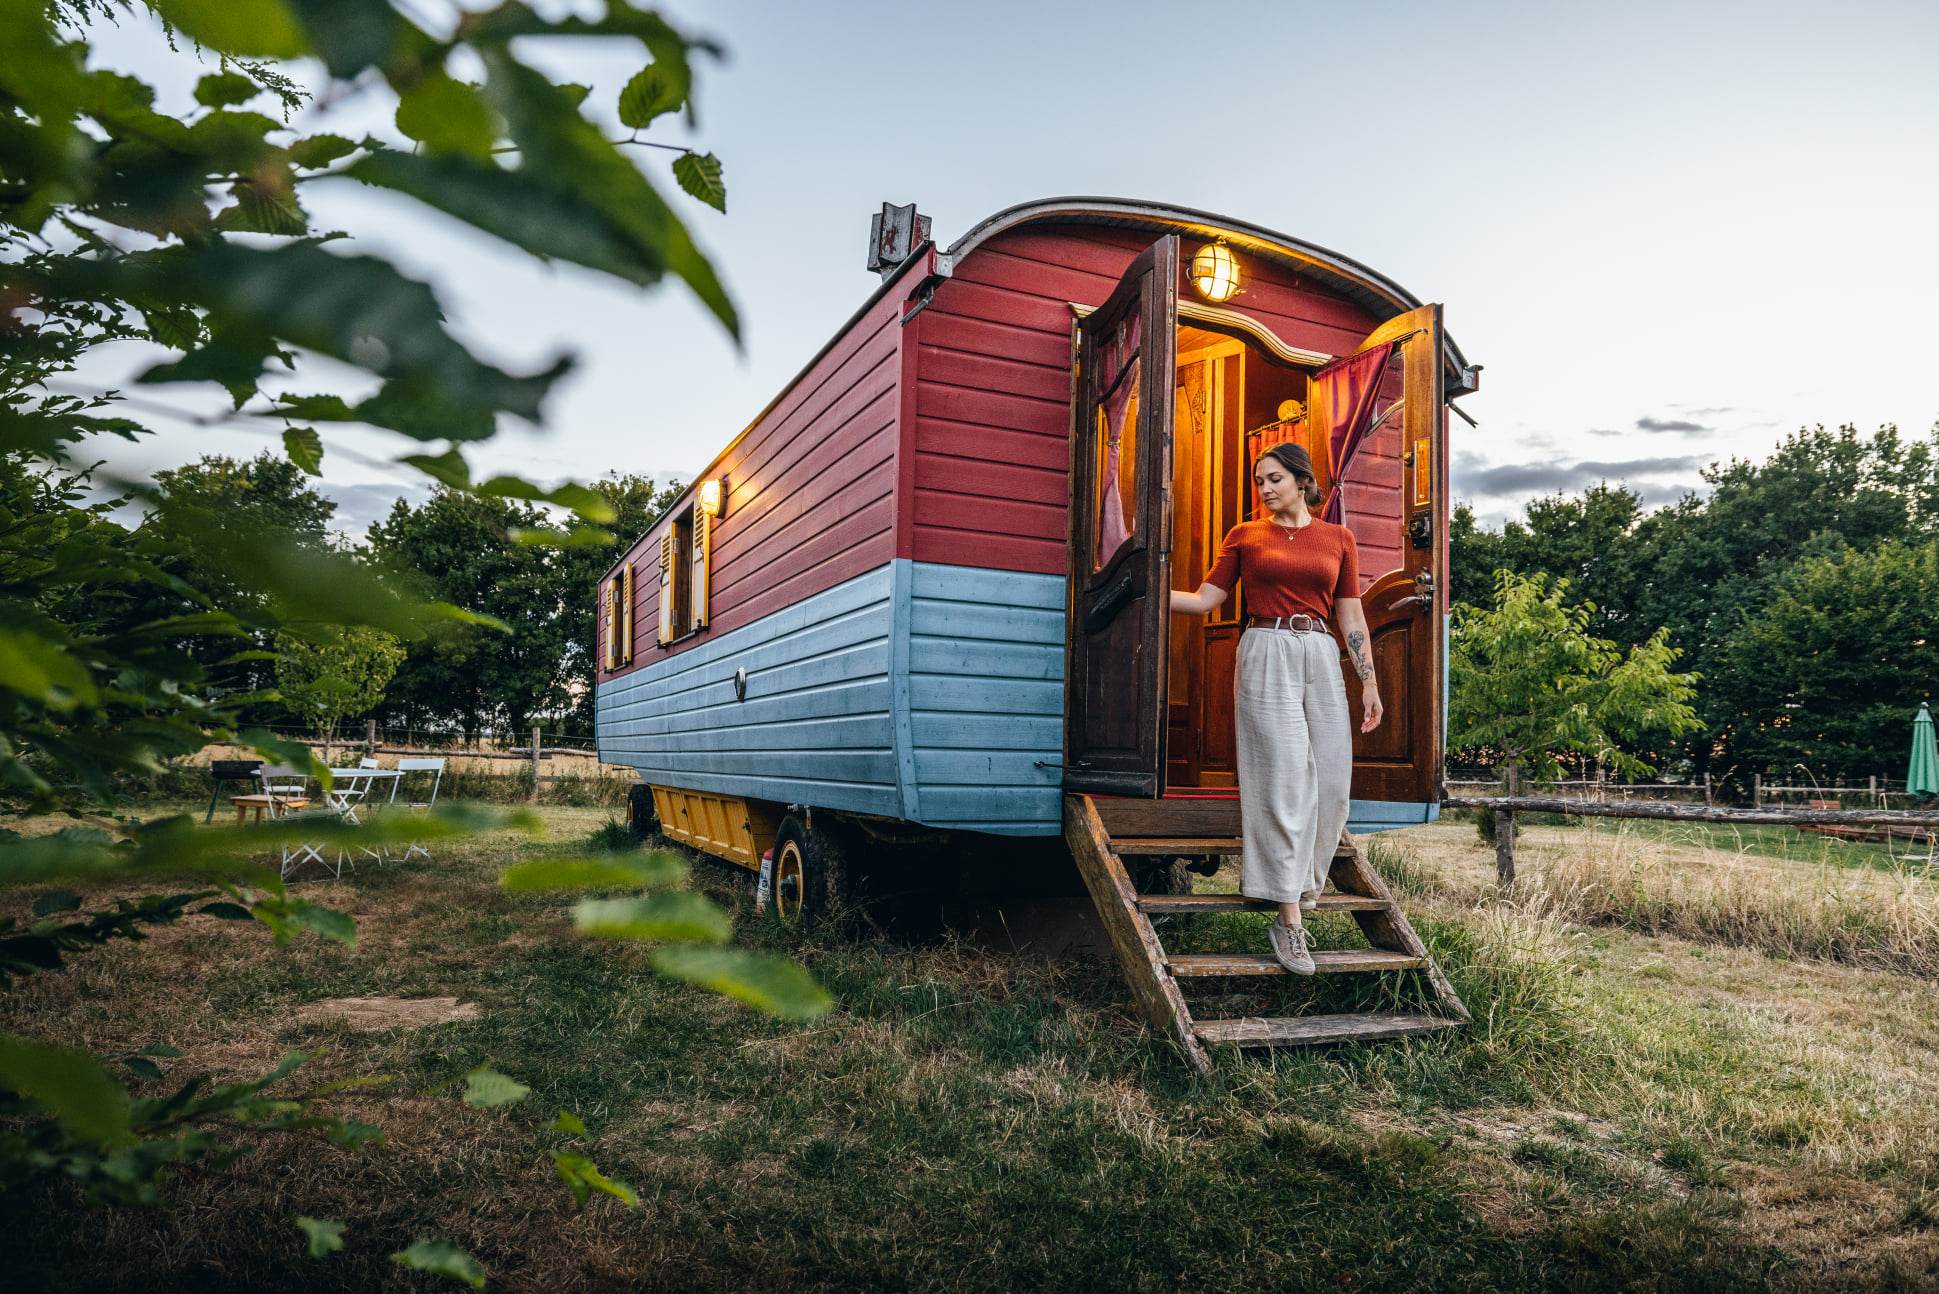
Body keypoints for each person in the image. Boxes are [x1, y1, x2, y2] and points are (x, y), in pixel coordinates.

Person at [1168, 443, 1383, 975]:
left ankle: (1300, 887)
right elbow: (1204, 601)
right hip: (1266, 649)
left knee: (1332, 785)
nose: (1264, 489)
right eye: (1259, 480)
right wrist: (1144, 590)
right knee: (1284, 780)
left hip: (1321, 653)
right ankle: (1289, 922)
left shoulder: (1338, 539)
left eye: (1274, 479)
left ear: (1303, 481)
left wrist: (1369, 681)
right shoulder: (1245, 536)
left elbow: (1351, 619)